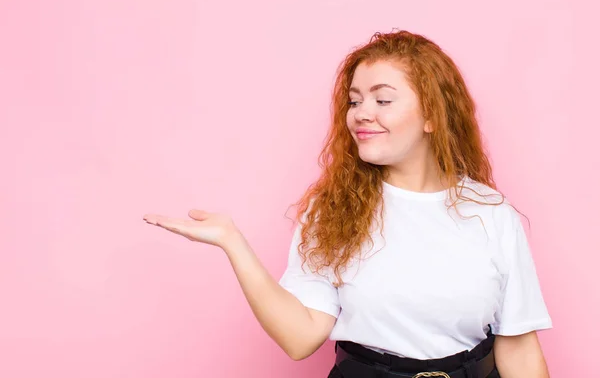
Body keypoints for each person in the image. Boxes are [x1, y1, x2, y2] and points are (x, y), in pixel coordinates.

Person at [143, 30, 552, 377]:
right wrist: (234, 243)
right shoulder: (335, 209)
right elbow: (301, 337)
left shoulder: (491, 213)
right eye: (355, 101)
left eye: (382, 100)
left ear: (433, 115)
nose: (361, 114)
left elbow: (518, 347)